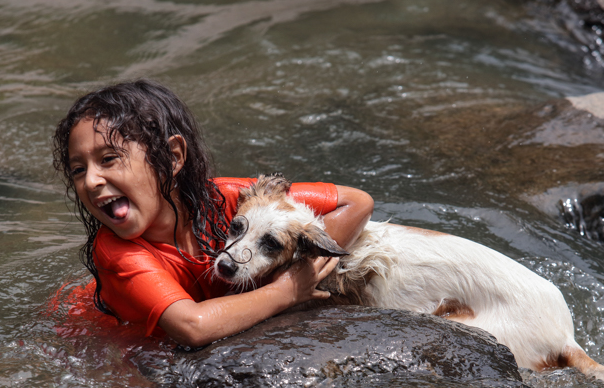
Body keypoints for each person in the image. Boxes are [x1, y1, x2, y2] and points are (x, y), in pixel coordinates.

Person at [52, 79, 374, 348]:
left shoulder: (227, 198)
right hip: (89, 336)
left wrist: (295, 264)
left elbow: (357, 203)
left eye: (108, 159)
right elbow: (193, 327)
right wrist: (287, 290)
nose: (91, 181)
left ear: (173, 157)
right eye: (78, 169)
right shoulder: (116, 252)